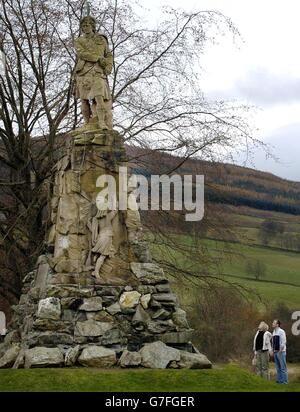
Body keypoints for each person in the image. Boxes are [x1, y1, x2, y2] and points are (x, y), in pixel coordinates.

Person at [74, 15, 113, 130]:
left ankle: (102, 122)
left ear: (92, 26)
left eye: (87, 25)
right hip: (83, 72)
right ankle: (86, 123)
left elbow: (109, 54)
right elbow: (82, 54)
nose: (85, 28)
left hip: (98, 72)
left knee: (99, 97)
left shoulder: (101, 39)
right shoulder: (79, 41)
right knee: (84, 99)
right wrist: (98, 58)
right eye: (83, 26)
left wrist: (109, 67)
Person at [272, 319, 288, 384]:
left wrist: (280, 350)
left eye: (274, 323)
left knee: (283, 367)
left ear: (277, 324)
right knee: (278, 367)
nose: (272, 323)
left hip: (281, 352)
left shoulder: (281, 331)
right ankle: (279, 380)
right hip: (275, 351)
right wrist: (273, 351)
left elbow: (284, 341)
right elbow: (273, 342)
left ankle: (284, 381)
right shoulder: (274, 331)